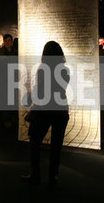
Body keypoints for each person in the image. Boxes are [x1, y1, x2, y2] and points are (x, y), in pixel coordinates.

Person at [21, 41, 69, 186]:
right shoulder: (64, 70)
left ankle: (35, 175)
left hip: (44, 110)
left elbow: (40, 91)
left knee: (35, 142)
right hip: (61, 110)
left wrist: (30, 98)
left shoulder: (43, 69)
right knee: (56, 146)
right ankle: (53, 176)